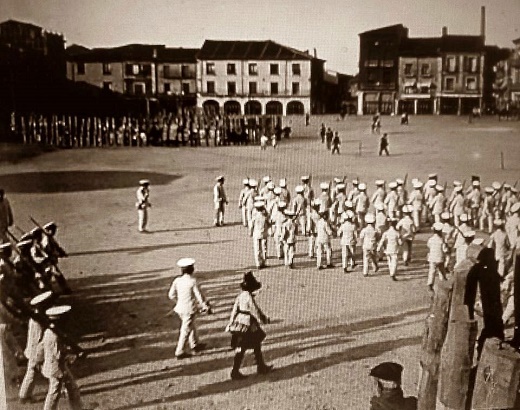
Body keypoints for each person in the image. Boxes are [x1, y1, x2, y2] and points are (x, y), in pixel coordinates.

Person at [227, 272, 273, 380]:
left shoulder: (239, 296)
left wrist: (231, 323)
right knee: (254, 343)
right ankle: (257, 367)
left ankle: (240, 369)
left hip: (239, 322)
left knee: (242, 347)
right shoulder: (248, 297)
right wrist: (264, 319)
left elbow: (234, 310)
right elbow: (256, 310)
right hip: (248, 322)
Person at [168, 258, 211, 359]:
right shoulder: (193, 281)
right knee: (185, 329)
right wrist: (205, 306)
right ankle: (179, 351)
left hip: (179, 308)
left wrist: (178, 302)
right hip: (189, 309)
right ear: (192, 269)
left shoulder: (177, 280)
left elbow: (171, 295)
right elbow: (199, 296)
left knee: (191, 326)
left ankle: (195, 344)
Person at [42, 305, 83, 410]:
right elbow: (58, 354)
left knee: (72, 388)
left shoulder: (49, 332)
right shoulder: (54, 336)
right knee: (54, 393)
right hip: (56, 368)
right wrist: (72, 356)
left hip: (57, 366)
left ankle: (77, 408)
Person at [19, 291, 54, 404]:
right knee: (55, 371)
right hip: (37, 351)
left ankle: (24, 395)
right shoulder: (38, 320)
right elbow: (39, 339)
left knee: (32, 372)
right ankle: (24, 396)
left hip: (33, 351)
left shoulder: (35, 317)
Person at [426, 222, 448, 292]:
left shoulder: (431, 239)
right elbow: (444, 250)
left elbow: (428, 246)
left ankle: (430, 284)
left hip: (432, 258)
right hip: (440, 258)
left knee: (432, 271)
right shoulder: (441, 240)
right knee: (442, 270)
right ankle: (443, 281)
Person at [250, 201, 270, 269]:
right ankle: (263, 262)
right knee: (264, 248)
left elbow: (251, 225)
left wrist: (250, 232)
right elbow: (269, 223)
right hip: (264, 233)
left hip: (256, 233)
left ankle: (258, 264)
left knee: (257, 249)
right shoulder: (265, 216)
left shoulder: (255, 216)